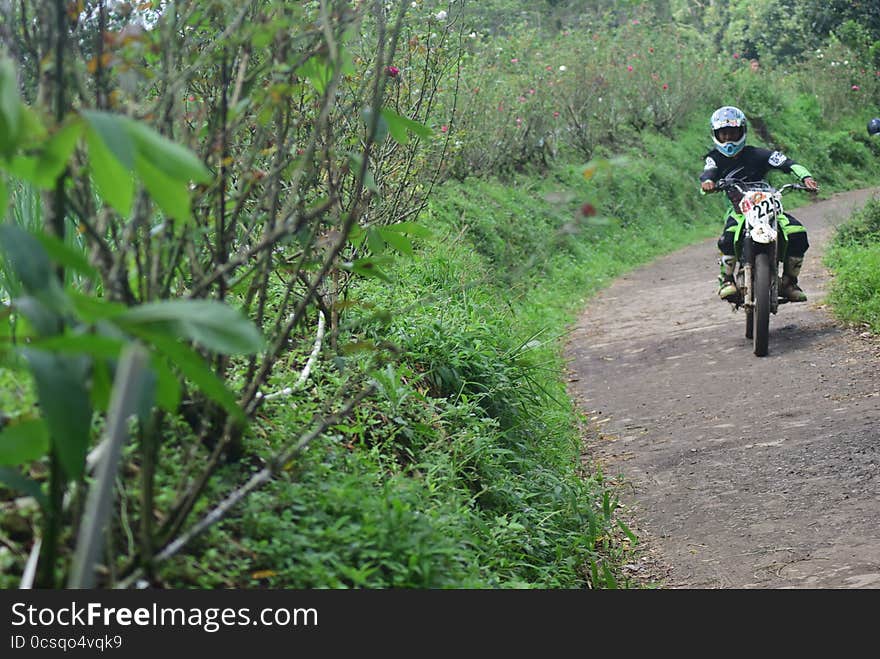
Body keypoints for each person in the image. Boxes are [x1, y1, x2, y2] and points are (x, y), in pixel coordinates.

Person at [699, 106, 819, 302]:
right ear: (716, 135)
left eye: (733, 133)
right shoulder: (714, 158)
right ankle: (727, 279)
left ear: (742, 132)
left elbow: (788, 163)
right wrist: (708, 183)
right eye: (724, 134)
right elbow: (708, 173)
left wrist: (806, 177)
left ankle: (789, 282)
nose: (728, 138)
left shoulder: (758, 154)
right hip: (738, 211)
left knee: (797, 233)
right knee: (727, 238)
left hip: (770, 208)